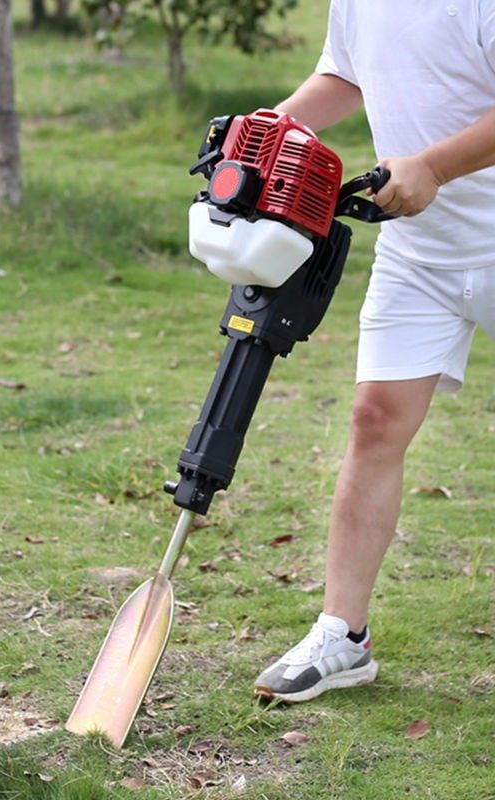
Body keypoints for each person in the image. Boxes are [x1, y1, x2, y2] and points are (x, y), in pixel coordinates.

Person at [253, 1, 495, 703]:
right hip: (421, 251)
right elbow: (349, 75)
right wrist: (277, 126)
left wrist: (432, 167)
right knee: (375, 421)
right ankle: (342, 636)